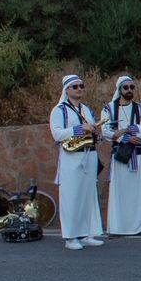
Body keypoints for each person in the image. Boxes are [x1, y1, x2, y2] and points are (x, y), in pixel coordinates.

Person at [48, 74, 104, 250]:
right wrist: (80, 129)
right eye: (75, 86)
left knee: (88, 195)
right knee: (71, 196)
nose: (79, 89)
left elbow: (90, 129)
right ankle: (70, 237)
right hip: (71, 157)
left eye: (81, 86)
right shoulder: (59, 110)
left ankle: (86, 233)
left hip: (89, 154)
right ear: (67, 90)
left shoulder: (85, 109)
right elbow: (57, 134)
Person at [102, 74, 141, 236]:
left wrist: (133, 131)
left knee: (140, 191)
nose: (129, 90)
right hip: (121, 154)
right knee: (120, 191)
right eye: (126, 87)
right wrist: (124, 136)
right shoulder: (109, 108)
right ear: (119, 89)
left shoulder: (140, 107)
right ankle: (118, 228)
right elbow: (105, 130)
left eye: (132, 87)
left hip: (138, 154)